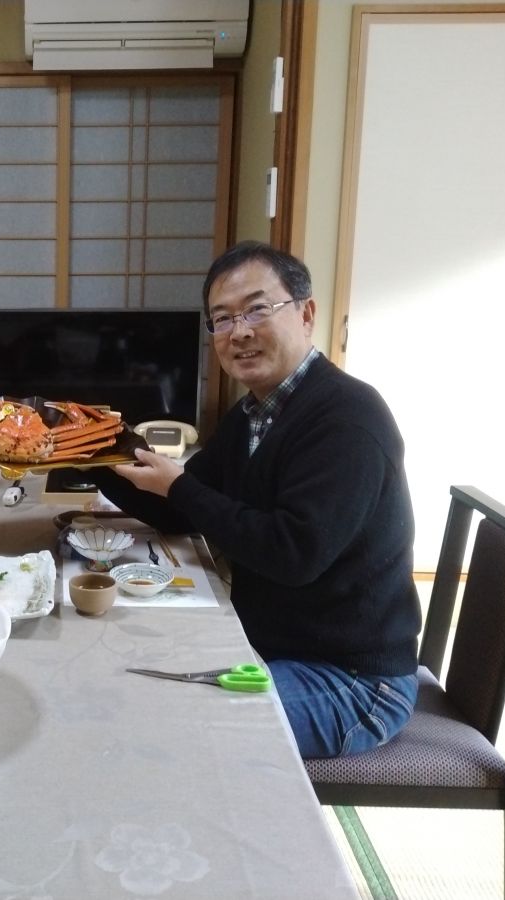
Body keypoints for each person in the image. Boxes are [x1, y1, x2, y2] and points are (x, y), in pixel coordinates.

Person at [93, 241, 421, 758]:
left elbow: (293, 554)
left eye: (257, 309)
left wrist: (180, 485)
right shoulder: (253, 415)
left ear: (306, 313)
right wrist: (87, 449)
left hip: (352, 682)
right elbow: (179, 509)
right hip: (272, 647)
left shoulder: (347, 419)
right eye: (222, 319)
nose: (239, 331)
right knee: (121, 679)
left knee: (164, 726)